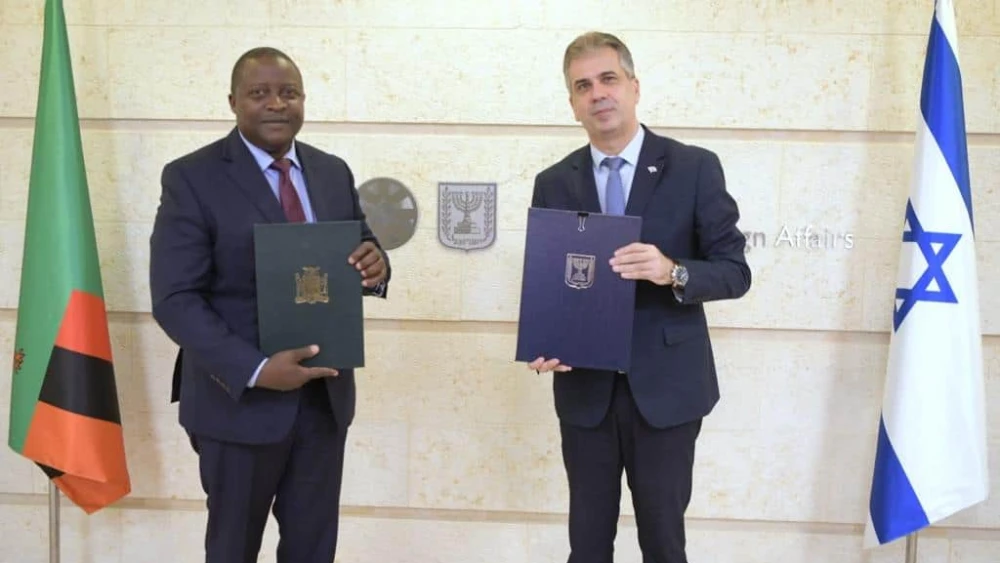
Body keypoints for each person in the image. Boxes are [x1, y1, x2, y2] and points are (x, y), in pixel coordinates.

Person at [149, 46, 390, 563]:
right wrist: (257, 369)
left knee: (313, 549)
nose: (276, 104)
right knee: (233, 549)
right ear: (234, 102)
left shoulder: (331, 171)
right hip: (237, 405)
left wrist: (378, 266)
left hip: (323, 403)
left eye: (289, 92)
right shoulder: (191, 177)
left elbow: (359, 249)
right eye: (260, 93)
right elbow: (174, 299)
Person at [527, 31, 751, 563]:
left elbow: (734, 271)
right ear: (572, 103)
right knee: (586, 544)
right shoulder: (553, 181)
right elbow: (552, 282)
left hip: (667, 394)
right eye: (583, 85)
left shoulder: (694, 167)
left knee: (663, 543)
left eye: (608, 79)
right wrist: (545, 340)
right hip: (586, 394)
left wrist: (672, 271)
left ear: (633, 86)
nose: (598, 93)